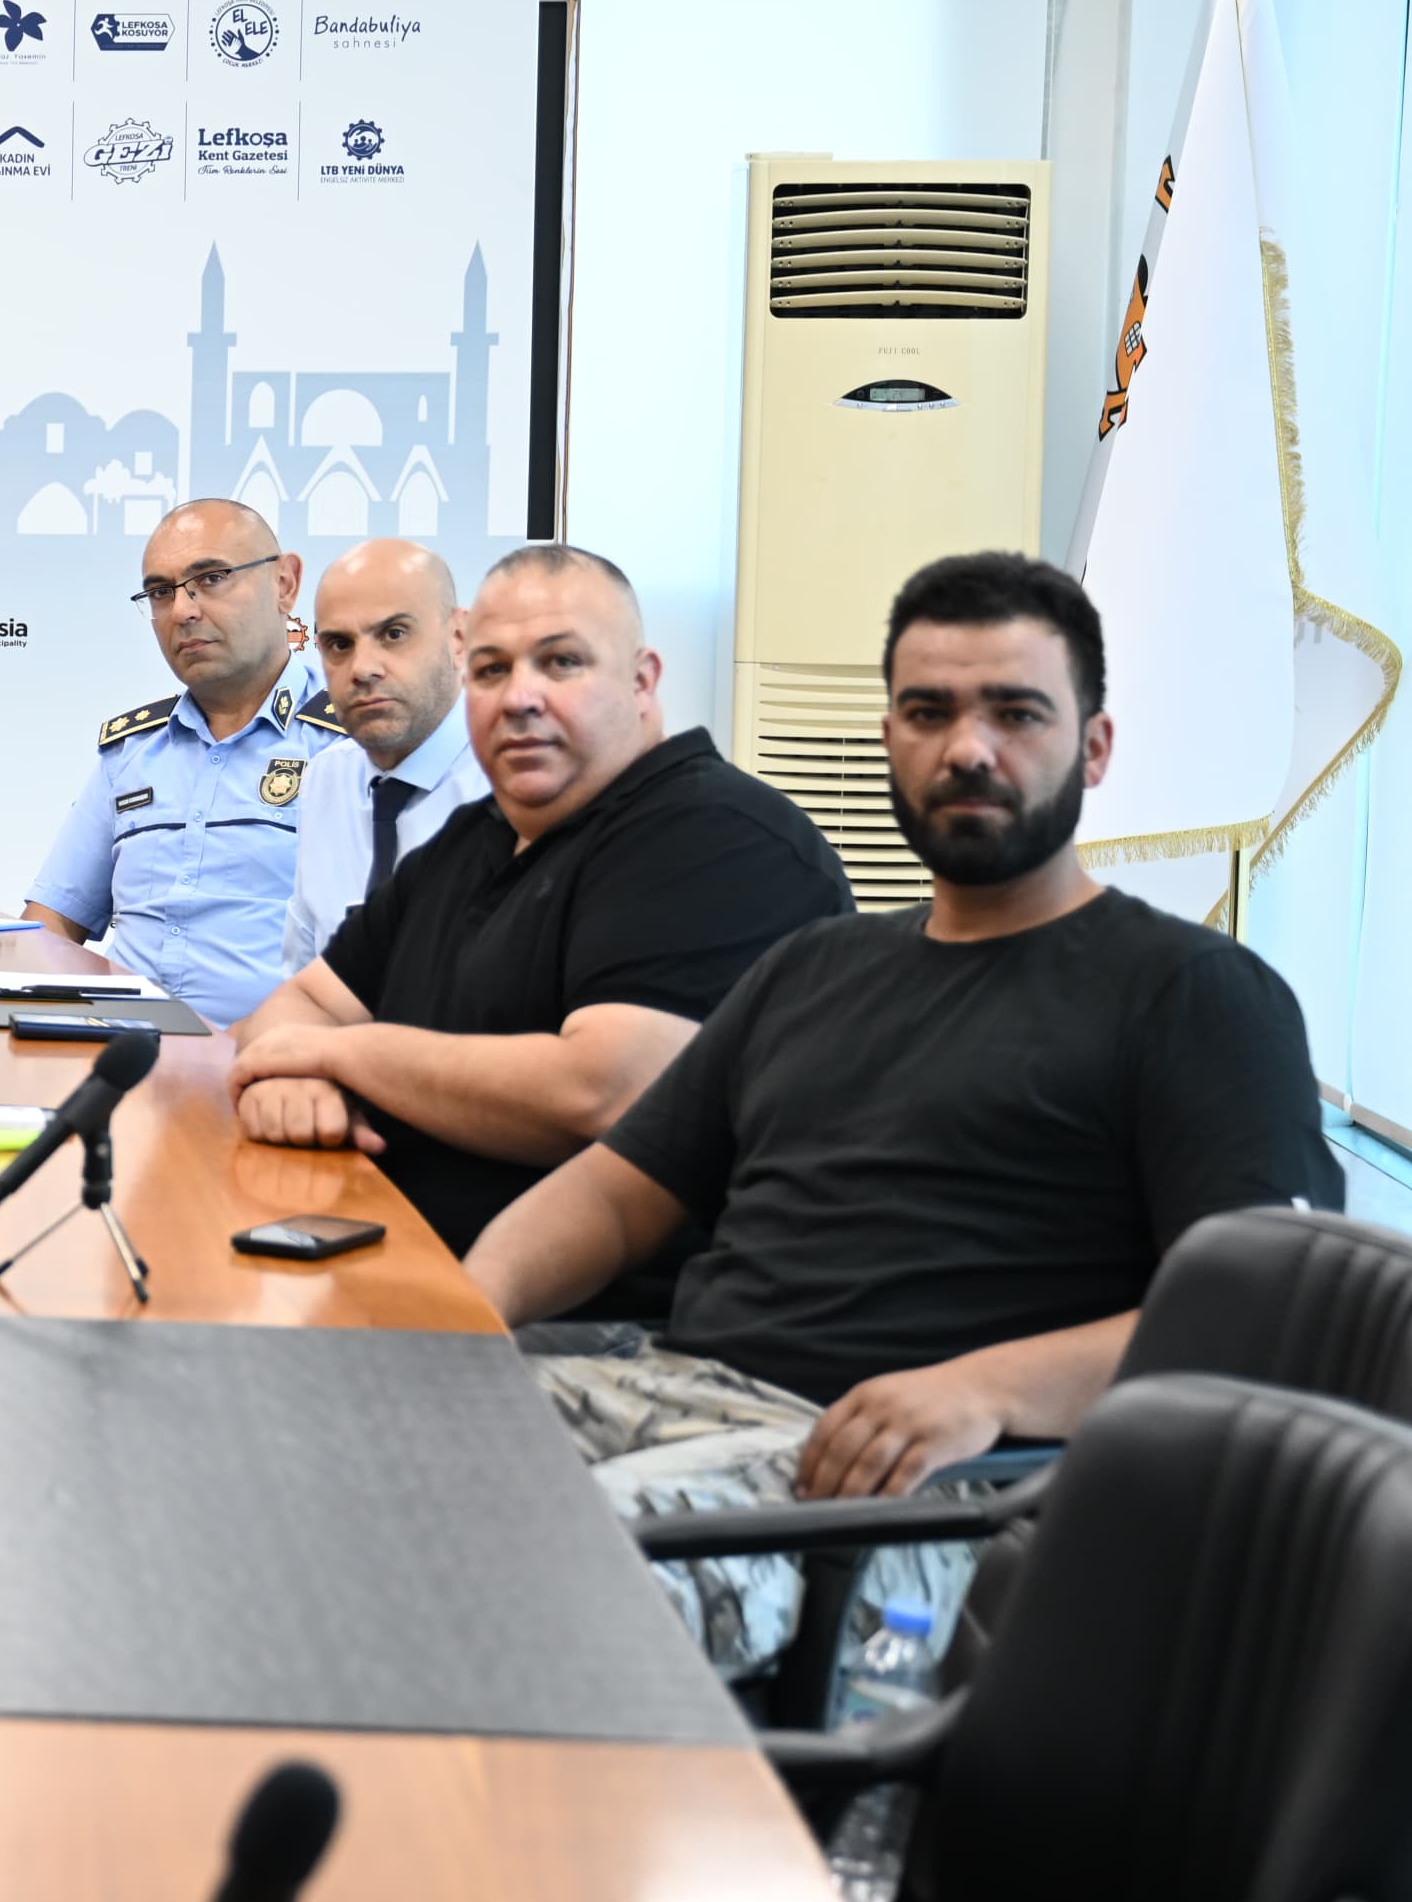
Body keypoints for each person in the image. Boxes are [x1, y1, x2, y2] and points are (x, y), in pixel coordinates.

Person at [465, 554, 1343, 1672]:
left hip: (911, 1484)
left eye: (1016, 714)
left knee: (511, 1580)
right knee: (339, 1446)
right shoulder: (815, 966)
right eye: (928, 713)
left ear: (1095, 747)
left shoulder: (1196, 996)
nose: (967, 749)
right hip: (677, 1392)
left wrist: (986, 1388)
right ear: (889, 738)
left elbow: (1261, 1325)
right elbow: (614, 1194)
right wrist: (471, 1306)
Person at [228, 545, 851, 1278]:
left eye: (561, 663)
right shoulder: (475, 840)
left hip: (619, 1319)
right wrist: (293, 1080)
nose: (520, 698)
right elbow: (301, 1002)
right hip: (391, 1260)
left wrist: (335, 1056)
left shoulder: (721, 837)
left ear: (642, 682)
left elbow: (598, 1092)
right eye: (492, 670)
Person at [20, 498, 339, 1024]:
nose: (183, 611)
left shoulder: (348, 747)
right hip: (120, 1051)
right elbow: (51, 922)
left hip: (274, 1061)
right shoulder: (132, 751)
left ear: (284, 584)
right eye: (160, 592)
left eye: (211, 579)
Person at [279, 538, 487, 974]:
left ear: (459, 638)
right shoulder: (326, 779)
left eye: (394, 634)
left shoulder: (512, 780)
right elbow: (303, 975)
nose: (362, 668)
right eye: (339, 644)